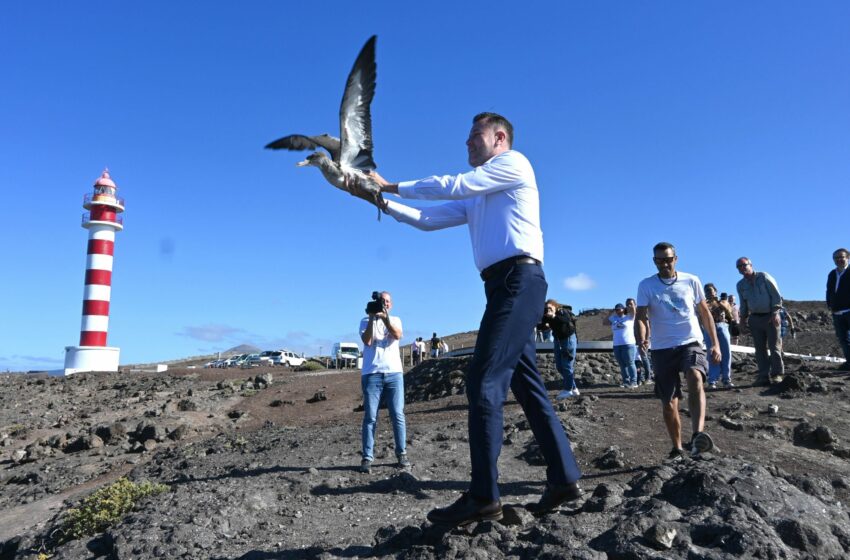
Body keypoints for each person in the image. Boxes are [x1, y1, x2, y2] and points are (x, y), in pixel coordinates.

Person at [361, 112, 582, 526]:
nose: (466, 143)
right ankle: (564, 478)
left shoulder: (513, 164)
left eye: (473, 136)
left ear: (499, 138)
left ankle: (483, 496)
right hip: (503, 286)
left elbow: (454, 184)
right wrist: (382, 202)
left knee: (482, 380)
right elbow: (429, 219)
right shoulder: (480, 191)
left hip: (520, 280)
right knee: (526, 384)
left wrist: (389, 183)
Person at [636, 242, 721, 459]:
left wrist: (715, 343)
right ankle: (677, 447)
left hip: (690, 341)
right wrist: (642, 339)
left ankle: (697, 435)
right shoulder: (646, 285)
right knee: (669, 401)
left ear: (676, 258)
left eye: (668, 259)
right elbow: (641, 317)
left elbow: (705, 313)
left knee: (695, 377)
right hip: (662, 347)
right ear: (654, 261)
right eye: (659, 260)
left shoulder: (691, 280)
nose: (664, 264)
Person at [358, 291, 409, 474]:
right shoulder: (365, 320)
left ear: (391, 304)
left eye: (387, 302)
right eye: (382, 302)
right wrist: (372, 318)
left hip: (394, 373)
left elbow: (397, 335)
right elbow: (367, 340)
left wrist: (385, 318)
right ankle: (367, 457)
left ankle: (402, 453)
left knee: (397, 414)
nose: (384, 304)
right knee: (370, 417)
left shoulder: (396, 319)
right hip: (372, 374)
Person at [735, 257, 784, 385]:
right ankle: (763, 376)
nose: (742, 268)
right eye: (739, 267)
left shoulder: (764, 277)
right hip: (755, 318)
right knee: (759, 349)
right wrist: (742, 321)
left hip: (770, 316)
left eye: (744, 265)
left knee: (775, 347)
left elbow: (776, 295)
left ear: (751, 265)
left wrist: (775, 312)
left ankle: (777, 374)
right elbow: (743, 304)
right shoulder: (741, 285)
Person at [541, 300, 579, 399]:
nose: (548, 310)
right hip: (558, 341)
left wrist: (553, 316)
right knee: (559, 366)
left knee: (567, 365)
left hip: (568, 339)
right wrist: (544, 323)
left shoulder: (562, 312)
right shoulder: (546, 315)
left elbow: (565, 320)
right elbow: (541, 326)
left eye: (550, 307)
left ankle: (568, 390)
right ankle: (574, 388)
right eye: (546, 308)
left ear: (555, 306)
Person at [703, 283, 734, 389]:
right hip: (708, 328)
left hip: (722, 325)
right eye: (706, 290)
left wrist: (718, 301)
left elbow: (728, 311)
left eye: (710, 290)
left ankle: (726, 379)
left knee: (726, 352)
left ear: (715, 291)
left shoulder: (722, 302)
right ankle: (712, 380)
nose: (708, 292)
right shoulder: (704, 304)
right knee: (711, 353)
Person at [604, 301, 638, 388]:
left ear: (624, 309)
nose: (618, 311)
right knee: (622, 364)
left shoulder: (629, 317)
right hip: (617, 344)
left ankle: (634, 382)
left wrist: (631, 305)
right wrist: (610, 313)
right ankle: (626, 381)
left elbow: (634, 311)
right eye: (616, 310)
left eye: (620, 309)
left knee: (630, 363)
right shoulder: (613, 318)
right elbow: (604, 322)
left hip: (628, 343)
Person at [826, 248, 850, 370]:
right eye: (836, 258)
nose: (839, 260)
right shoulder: (832, 274)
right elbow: (829, 290)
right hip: (837, 311)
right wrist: (829, 304)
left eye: (842, 257)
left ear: (848, 257)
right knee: (843, 339)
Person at [627, 297, 653, 384]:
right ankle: (638, 379)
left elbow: (647, 326)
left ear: (635, 305)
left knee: (644, 357)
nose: (629, 306)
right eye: (627, 304)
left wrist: (646, 339)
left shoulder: (641, 314)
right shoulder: (628, 316)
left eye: (631, 304)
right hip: (632, 341)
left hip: (642, 340)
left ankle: (648, 378)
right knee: (636, 360)